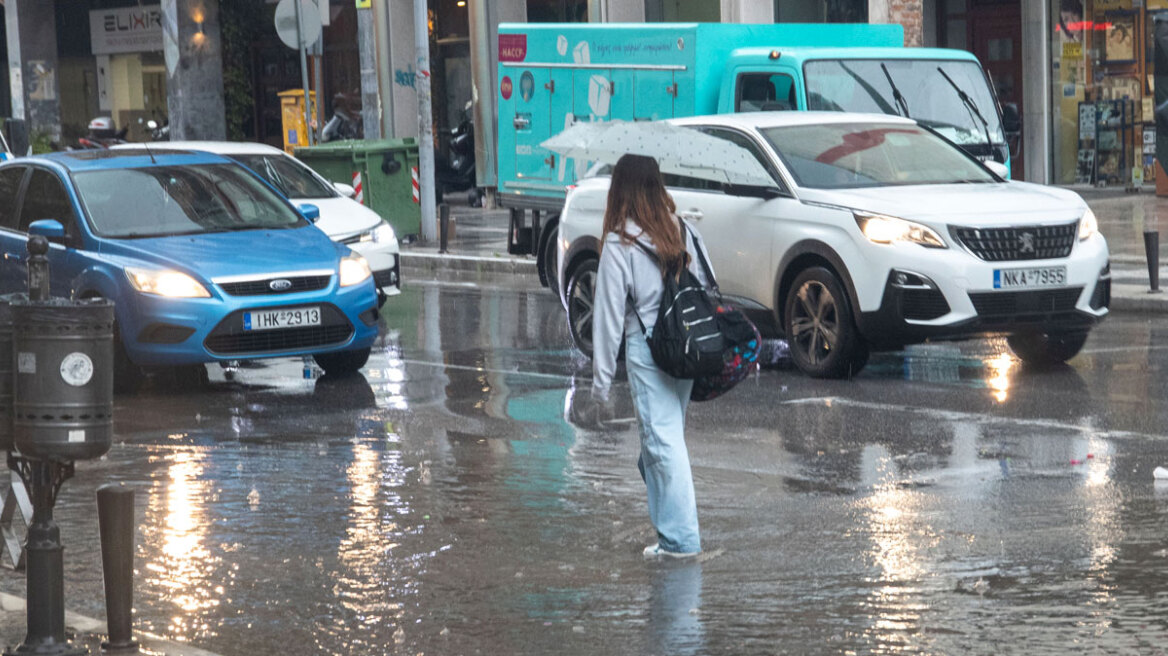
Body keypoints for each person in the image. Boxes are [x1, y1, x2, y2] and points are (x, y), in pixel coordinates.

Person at [590, 153, 713, 560]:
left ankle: (681, 543)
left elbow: (607, 317)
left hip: (649, 350)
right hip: (686, 346)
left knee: (663, 446)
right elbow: (709, 284)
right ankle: (669, 535)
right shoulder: (682, 230)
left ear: (620, 190)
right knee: (663, 441)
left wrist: (601, 381)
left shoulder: (619, 242)